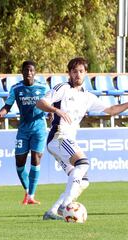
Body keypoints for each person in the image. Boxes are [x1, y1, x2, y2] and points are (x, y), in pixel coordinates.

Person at [36, 57, 128, 220]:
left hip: (65, 140)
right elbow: (41, 103)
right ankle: (66, 206)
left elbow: (112, 110)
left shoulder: (88, 97)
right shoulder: (62, 88)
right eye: (74, 71)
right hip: (58, 136)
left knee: (82, 180)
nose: (77, 74)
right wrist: (56, 110)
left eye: (81, 71)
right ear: (69, 73)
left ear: (86, 73)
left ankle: (52, 212)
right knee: (83, 163)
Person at [0, 60, 49, 205]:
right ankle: (28, 191)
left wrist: (52, 112)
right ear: (22, 72)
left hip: (39, 128)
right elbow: (8, 105)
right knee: (19, 163)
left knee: (36, 158)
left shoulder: (43, 87)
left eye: (31, 70)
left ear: (35, 72)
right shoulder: (16, 88)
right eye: (26, 70)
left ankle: (31, 195)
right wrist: (1, 112)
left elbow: (52, 103)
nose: (29, 73)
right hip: (23, 129)